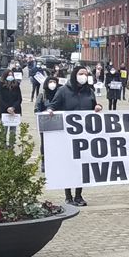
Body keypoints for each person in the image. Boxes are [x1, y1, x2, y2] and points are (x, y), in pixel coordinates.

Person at [46, 66, 102, 206]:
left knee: (81, 165)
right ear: (75, 75)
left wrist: (98, 107)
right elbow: (53, 105)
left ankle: (78, 195)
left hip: (84, 135)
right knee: (68, 164)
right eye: (81, 73)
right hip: (67, 135)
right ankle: (68, 196)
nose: (84, 76)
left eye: (86, 74)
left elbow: (94, 105)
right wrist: (50, 110)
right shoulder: (63, 91)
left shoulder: (89, 91)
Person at [0, 72, 24, 147]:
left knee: (13, 130)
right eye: (8, 75)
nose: (10, 76)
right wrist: (7, 108)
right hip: (4, 110)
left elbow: (19, 99)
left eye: (11, 75)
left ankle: (11, 145)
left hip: (14, 111)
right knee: (4, 130)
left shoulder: (16, 85)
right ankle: (3, 145)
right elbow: (0, 98)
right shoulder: (0, 85)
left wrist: (13, 107)